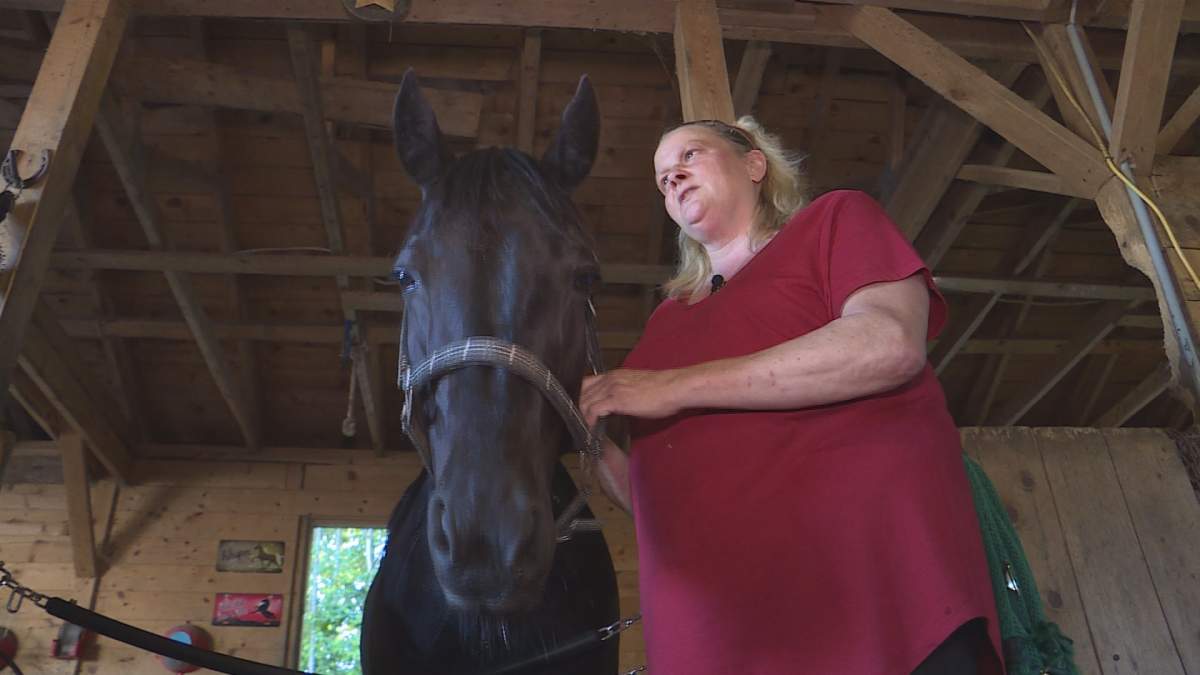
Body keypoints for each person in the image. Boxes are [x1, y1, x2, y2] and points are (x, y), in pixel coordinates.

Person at [578, 118, 1003, 675]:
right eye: (661, 179)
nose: (672, 178)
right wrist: (585, 439)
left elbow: (888, 344)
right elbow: (652, 503)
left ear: (754, 165)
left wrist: (674, 386)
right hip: (722, 639)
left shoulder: (834, 222)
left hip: (877, 603)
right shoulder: (660, 329)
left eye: (690, 155)